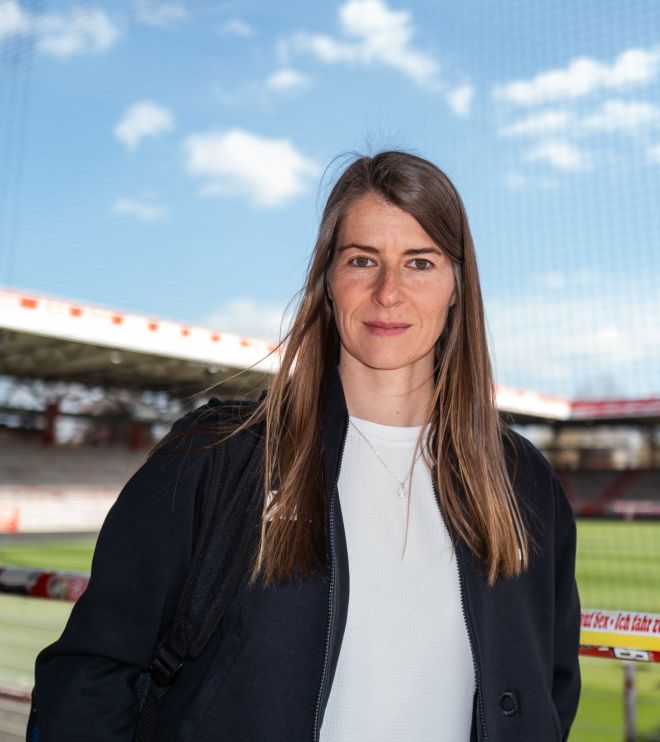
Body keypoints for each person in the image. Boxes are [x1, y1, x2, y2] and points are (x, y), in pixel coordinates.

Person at [29, 150, 581, 741]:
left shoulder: (523, 483)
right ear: (327, 281)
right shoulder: (221, 455)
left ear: (456, 286)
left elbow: (548, 688)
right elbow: (92, 674)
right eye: (363, 260)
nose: (388, 292)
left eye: (419, 263)